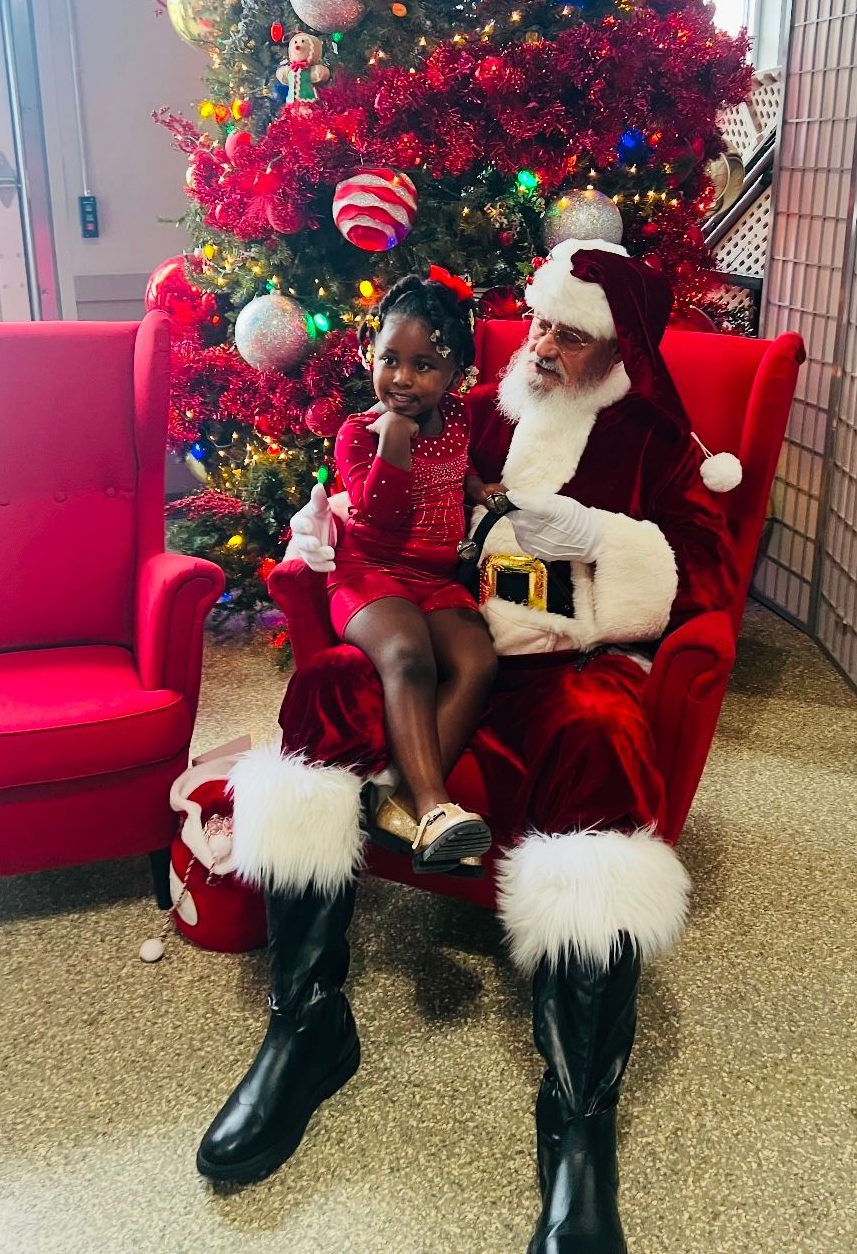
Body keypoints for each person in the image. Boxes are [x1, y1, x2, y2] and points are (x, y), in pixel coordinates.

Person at [198, 241, 738, 1252]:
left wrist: (574, 548)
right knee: (325, 689)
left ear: (614, 348)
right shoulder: (476, 403)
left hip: (564, 662)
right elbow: (378, 498)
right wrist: (328, 530)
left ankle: (578, 1116)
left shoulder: (656, 441)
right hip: (443, 630)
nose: (539, 347)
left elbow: (704, 577)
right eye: (538, 324)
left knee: (602, 740)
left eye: (567, 336)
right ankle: (307, 1026)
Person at [330, 272, 499, 874]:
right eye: (390, 360)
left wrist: (477, 484)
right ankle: (435, 807)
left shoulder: (457, 420)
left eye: (423, 365)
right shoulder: (359, 432)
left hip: (436, 577)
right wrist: (392, 441)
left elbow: (459, 464)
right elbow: (378, 510)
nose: (401, 379)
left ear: (455, 375)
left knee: (478, 660)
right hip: (368, 573)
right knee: (407, 654)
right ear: (371, 357)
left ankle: (398, 806)